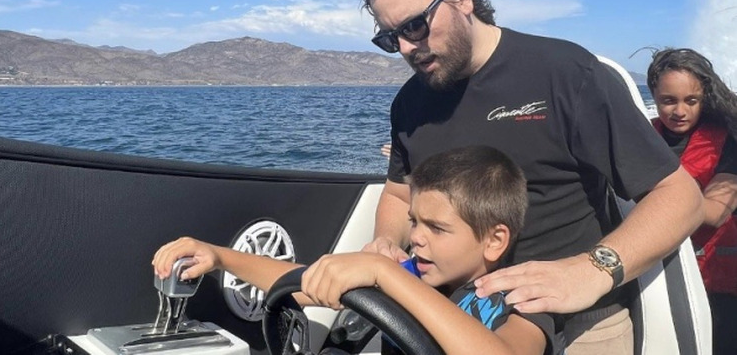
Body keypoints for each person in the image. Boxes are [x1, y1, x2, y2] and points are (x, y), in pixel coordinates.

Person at [356, 0, 703, 354]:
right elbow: (398, 193)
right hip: (451, 316)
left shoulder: (566, 74)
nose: (408, 48)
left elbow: (681, 196)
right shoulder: (409, 105)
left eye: (415, 25)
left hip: (574, 320)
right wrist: (386, 245)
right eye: (392, 38)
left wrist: (591, 270)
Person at [153, 145, 562, 355]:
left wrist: (386, 275)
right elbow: (305, 281)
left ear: (494, 241)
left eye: (437, 228)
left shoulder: (523, 300)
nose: (416, 237)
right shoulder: (416, 271)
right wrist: (220, 256)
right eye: (414, 222)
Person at [647, 48, 737, 355]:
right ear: (654, 97)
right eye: (668, 100)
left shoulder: (729, 140)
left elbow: (715, 212)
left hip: (719, 286)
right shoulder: (642, 137)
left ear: (704, 99)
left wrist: (656, 203)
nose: (679, 111)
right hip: (657, 276)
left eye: (691, 100)